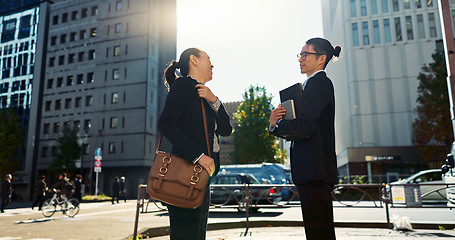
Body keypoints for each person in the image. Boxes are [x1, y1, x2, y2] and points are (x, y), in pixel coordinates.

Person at [269, 37, 341, 240]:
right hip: (312, 171)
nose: (300, 59)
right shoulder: (310, 85)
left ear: (321, 58)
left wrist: (279, 125)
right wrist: (275, 124)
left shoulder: (319, 84)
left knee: (319, 232)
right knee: (317, 231)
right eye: (299, 55)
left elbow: (305, 126)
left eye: (304, 54)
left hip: (315, 171)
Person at [158, 47, 232, 240]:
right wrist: (198, 156)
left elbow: (226, 130)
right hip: (184, 173)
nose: (212, 64)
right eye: (208, 58)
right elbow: (166, 123)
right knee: (187, 234)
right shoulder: (183, 85)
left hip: (201, 175)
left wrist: (214, 100)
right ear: (194, 60)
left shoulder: (205, 94)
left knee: (197, 233)